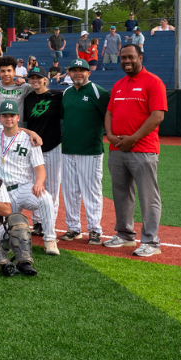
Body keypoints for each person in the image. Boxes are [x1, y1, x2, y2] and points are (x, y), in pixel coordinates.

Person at [104, 44, 167, 257]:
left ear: (140, 57)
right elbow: (109, 113)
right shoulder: (119, 84)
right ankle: (124, 235)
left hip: (143, 149)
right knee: (121, 194)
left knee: (148, 197)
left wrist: (133, 139)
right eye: (123, 58)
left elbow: (157, 116)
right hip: (117, 148)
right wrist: (110, 136)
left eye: (131, 57)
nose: (126, 61)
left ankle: (151, 241)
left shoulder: (153, 82)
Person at [0, 100, 59, 256]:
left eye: (12, 116)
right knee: (2, 240)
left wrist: (39, 182)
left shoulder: (29, 139)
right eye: (5, 116)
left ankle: (50, 240)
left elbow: (40, 168)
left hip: (22, 187)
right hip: (2, 193)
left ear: (18, 117)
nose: (9, 119)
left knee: (45, 198)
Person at [60, 58, 110, 246]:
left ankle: (95, 230)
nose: (78, 73)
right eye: (74, 70)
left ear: (89, 72)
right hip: (68, 149)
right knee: (70, 191)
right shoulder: (67, 93)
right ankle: (73, 228)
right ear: (69, 73)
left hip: (91, 150)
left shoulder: (98, 92)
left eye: (82, 70)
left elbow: (110, 115)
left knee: (91, 191)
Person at [22, 67, 63, 238]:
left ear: (45, 79)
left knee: (52, 187)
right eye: (32, 78)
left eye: (38, 77)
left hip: (53, 145)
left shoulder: (57, 96)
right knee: (36, 186)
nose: (35, 81)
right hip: (34, 148)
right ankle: (38, 222)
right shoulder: (28, 98)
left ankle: (49, 223)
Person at [0, 55, 32, 124]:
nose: (6, 74)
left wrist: (25, 80)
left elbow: (40, 87)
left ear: (14, 72)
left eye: (9, 70)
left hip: (16, 131)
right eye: (3, 71)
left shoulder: (24, 87)